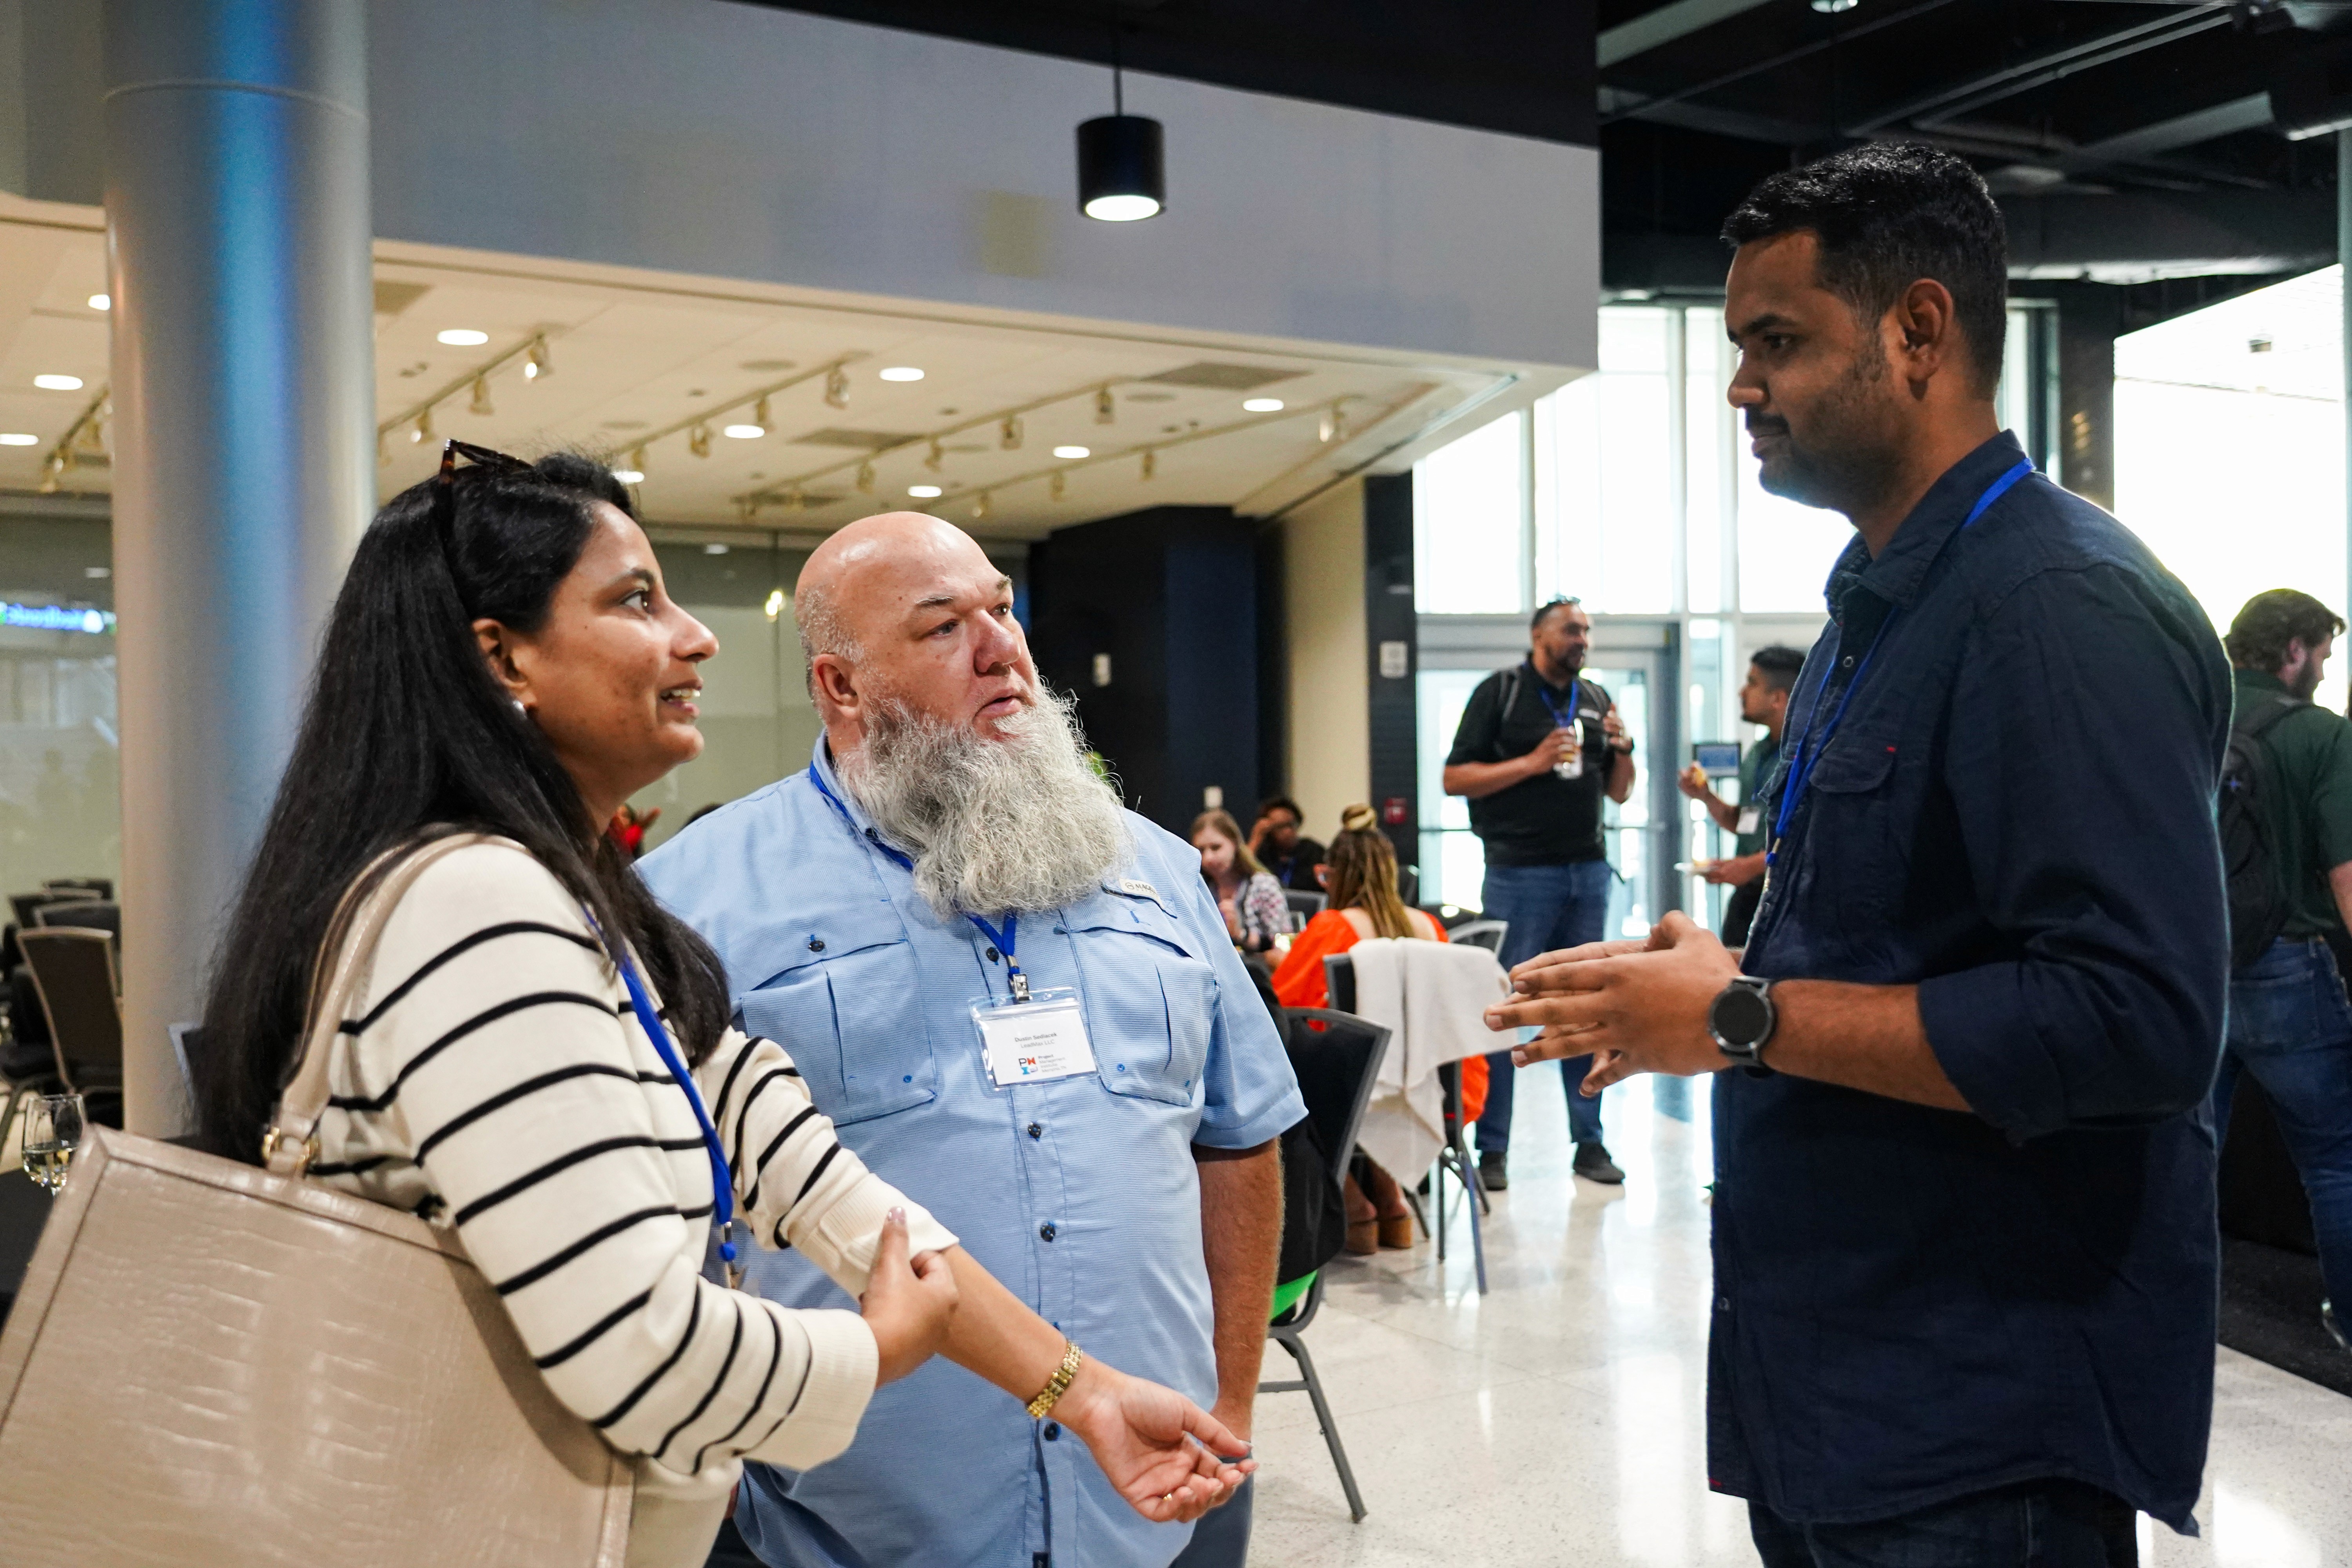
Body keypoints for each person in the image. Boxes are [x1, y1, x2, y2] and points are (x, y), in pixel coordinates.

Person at [191, 450, 1249, 1568]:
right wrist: (877, 1352)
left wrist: (1081, 1397)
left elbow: (835, 1193)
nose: (697, 637)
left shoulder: (593, 910)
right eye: (636, 601)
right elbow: (640, 1352)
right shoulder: (478, 905)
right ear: (502, 658)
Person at [1486, 145, 2230, 1566]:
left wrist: (1736, 1014)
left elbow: (2132, 1021)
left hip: (1976, 1417)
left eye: (1777, 341)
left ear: (1918, 333)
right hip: (1842, 1386)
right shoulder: (1878, 610)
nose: (1737, 386)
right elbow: (1895, 941)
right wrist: (1729, 969)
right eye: (1735, 344)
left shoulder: (2057, 606)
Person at [641, 512, 1303, 1568]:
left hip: (1163, 1503)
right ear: (842, 687)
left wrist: (1232, 1398)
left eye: (1002, 608)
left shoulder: (1159, 871)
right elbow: (654, 1197)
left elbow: (1240, 1138)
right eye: (944, 627)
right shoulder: (692, 899)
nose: (1003, 649)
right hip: (847, 1526)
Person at [1441, 594, 1635, 1191]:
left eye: (1587, 632)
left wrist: (1625, 750)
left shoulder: (1597, 699)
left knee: (1586, 1009)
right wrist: (1530, 762)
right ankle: (1493, 1148)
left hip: (1588, 872)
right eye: (1571, 630)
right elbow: (1454, 778)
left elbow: (1621, 794)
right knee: (1509, 1007)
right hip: (1519, 874)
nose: (1582, 640)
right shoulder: (1500, 694)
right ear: (1539, 636)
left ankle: (1590, 1143)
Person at [2213, 588, 2352, 1353]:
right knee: (2334, 1158)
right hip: (2285, 969)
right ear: (2294, 648)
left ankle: (2167, 1312)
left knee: (2181, 1152)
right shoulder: (2320, 735)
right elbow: (2347, 876)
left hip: (2188, 965)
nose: (2325, 673)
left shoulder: (2191, 708)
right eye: (2323, 655)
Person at [1270, 804, 1476, 1252]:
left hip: (1362, 1093)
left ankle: (1353, 1202)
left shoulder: (1332, 927)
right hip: (1438, 1085)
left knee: (1293, 1066)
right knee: (1386, 1067)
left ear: (1339, 874)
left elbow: (1286, 1003)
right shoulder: (1430, 927)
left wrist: (1280, 962)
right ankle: (1392, 1201)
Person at [1677, 646, 1805, 948]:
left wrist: (1749, 866)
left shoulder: (1805, 756)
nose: (1741, 692)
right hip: (1750, 894)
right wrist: (1706, 796)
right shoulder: (1759, 753)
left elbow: (1806, 837)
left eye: (1752, 682)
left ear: (1779, 698)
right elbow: (1745, 822)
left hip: (1788, 895)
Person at [1191, 808, 1288, 955]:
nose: (1208, 858)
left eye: (1216, 848)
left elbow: (1281, 943)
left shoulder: (1264, 884)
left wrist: (1240, 934)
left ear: (1235, 844)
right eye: (1201, 850)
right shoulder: (1198, 888)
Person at [1247, 795, 1326, 891]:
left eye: (1292, 825)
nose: (1288, 831)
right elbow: (1240, 869)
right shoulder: (1263, 853)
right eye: (1281, 827)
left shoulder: (1313, 851)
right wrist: (1257, 837)